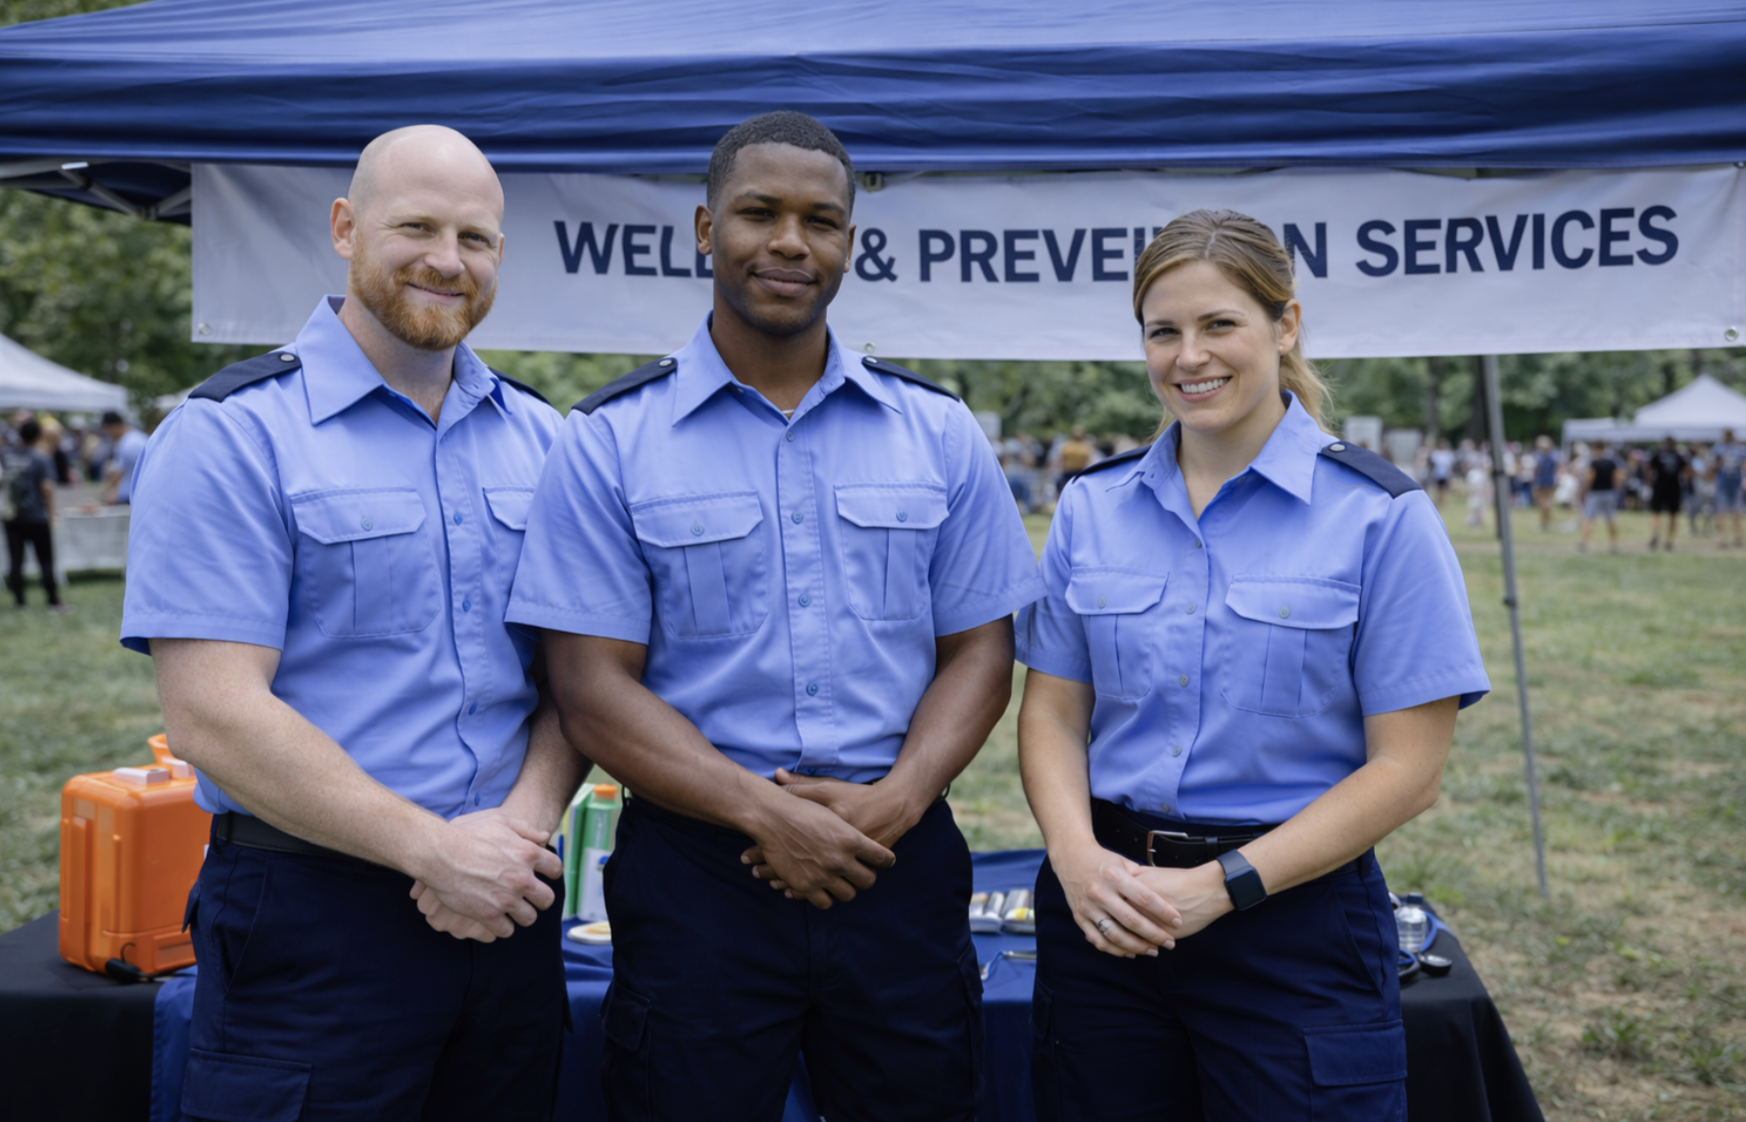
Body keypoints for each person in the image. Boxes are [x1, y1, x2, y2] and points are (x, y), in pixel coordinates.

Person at [508, 111, 1044, 1122]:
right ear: (706, 229)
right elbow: (588, 684)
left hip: (896, 856)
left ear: (850, 242)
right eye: (760, 213)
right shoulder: (611, 442)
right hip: (700, 872)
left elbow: (981, 648)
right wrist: (765, 815)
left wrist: (899, 798)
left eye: (820, 220)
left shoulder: (936, 432)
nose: (790, 241)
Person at [120, 125, 586, 1121]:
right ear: (344, 227)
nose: (445, 260)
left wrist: (519, 828)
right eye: (415, 225)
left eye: (475, 237)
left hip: (507, 905)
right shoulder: (232, 435)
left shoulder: (549, 444)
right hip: (313, 915)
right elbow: (212, 714)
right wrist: (432, 852)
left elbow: (577, 682)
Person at [1015, 209, 1489, 1120]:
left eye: (1219, 324)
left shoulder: (1381, 517)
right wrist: (1075, 859)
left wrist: (1220, 890)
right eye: (1164, 332)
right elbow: (1052, 715)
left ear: (1285, 325)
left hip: (1292, 920)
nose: (1189, 357)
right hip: (1107, 913)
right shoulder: (1091, 508)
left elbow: (1408, 770)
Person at [4, 418, 69, 612]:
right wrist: (51, 514)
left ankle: (20, 603)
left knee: (16, 560)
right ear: (39, 435)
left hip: (12, 515)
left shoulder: (6, 455)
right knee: (46, 560)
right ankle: (52, 601)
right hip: (36, 516)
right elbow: (47, 488)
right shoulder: (41, 457)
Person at [1646, 435, 1688, 551]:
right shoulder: (1677, 455)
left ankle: (1657, 536)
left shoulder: (1659, 454)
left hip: (1661, 487)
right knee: (1670, 514)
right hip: (1673, 488)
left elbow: (1649, 468)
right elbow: (1686, 470)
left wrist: (1649, 482)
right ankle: (1667, 540)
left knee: (1658, 513)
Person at [1578, 443, 1621, 552]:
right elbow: (1617, 478)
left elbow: (1590, 478)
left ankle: (1583, 542)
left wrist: (1584, 491)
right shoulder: (1611, 463)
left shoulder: (1594, 463)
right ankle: (1614, 544)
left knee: (1589, 518)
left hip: (1595, 494)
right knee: (1610, 518)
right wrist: (1616, 490)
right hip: (1609, 493)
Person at [99, 410, 147, 504]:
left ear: (112, 427)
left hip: (130, 496)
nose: (109, 435)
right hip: (140, 494)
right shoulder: (139, 437)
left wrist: (104, 491)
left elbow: (120, 472)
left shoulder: (127, 443)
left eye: (108, 430)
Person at [1715, 428, 1745, 548]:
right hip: (1723, 484)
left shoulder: (1740, 449)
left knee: (1737, 511)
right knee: (1721, 511)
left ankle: (1737, 536)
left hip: (1736, 484)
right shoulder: (1718, 448)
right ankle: (1723, 536)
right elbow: (1715, 465)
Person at [1532, 435, 1560, 530]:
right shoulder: (1553, 454)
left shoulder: (1544, 456)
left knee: (1544, 502)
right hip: (1547, 480)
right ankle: (1546, 521)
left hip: (1544, 480)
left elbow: (1537, 468)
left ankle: (1545, 522)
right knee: (1545, 502)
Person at [1429, 437, 1454, 507]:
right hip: (1437, 473)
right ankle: (1438, 500)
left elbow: (1450, 464)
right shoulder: (1436, 453)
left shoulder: (1448, 454)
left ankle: (1443, 500)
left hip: (1445, 473)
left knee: (1444, 488)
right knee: (1438, 488)